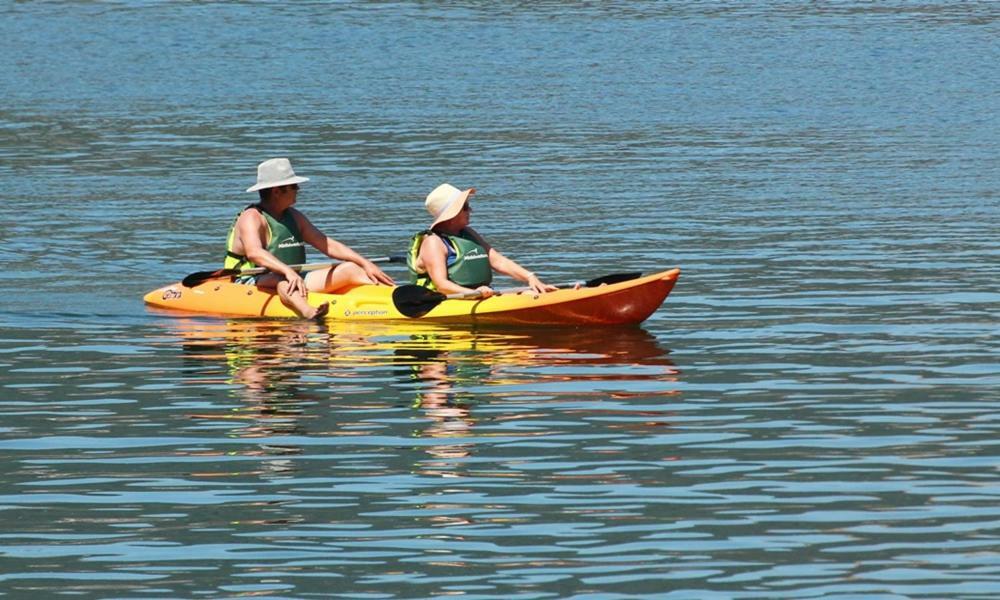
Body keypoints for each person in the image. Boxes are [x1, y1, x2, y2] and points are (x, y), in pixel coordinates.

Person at [225, 158, 394, 319]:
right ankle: (308, 312)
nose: (298, 189)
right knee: (282, 280)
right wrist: (288, 272)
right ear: (276, 191)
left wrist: (365, 263)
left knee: (351, 268)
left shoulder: (293, 216)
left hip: (293, 276)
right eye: (293, 186)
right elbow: (255, 253)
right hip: (250, 279)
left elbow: (326, 244)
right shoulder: (251, 217)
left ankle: (394, 295)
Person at [406, 183, 556, 298]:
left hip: (479, 295)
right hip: (446, 300)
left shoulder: (468, 233)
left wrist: (530, 277)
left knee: (530, 293)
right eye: (465, 207)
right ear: (452, 214)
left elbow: (498, 261)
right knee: (526, 295)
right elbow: (441, 285)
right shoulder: (433, 243)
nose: (470, 211)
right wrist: (475, 293)